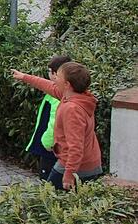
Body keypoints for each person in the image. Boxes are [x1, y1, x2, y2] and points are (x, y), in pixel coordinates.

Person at [12, 61, 102, 191]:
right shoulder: (75, 96)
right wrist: (24, 77)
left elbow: (76, 146)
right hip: (83, 164)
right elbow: (49, 86)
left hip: (77, 167)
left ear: (67, 84)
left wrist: (69, 175)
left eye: (58, 76)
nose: (54, 78)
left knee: (48, 199)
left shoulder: (72, 109)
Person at [22, 55, 72, 180]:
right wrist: (24, 77)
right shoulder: (62, 90)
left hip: (51, 148)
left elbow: (54, 122)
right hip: (55, 147)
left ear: (56, 74)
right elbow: (44, 84)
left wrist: (47, 143)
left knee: (48, 180)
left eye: (49, 71)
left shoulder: (58, 96)